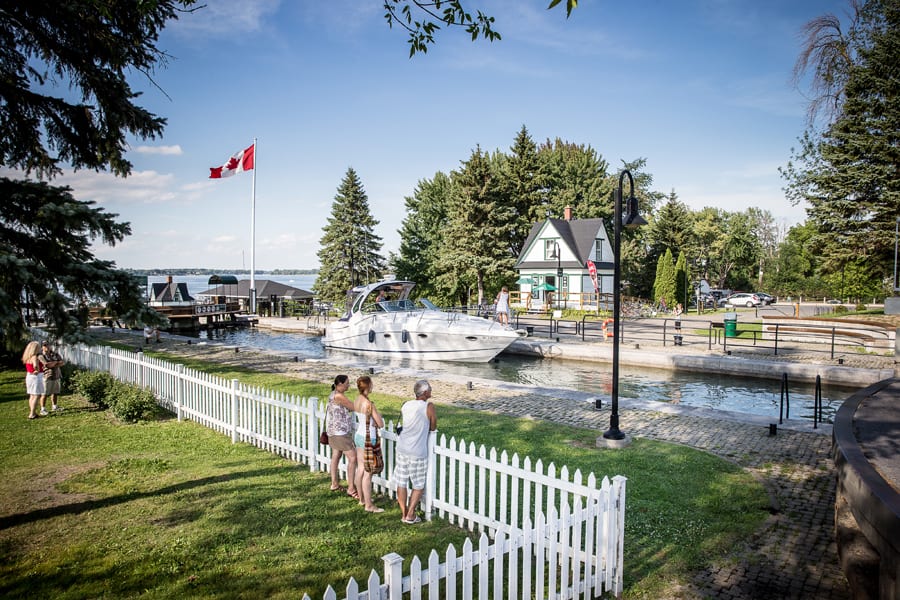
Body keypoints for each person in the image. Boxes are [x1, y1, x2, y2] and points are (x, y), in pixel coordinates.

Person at [394, 379, 437, 524]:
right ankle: (411, 514)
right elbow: (433, 427)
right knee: (418, 484)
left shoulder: (406, 404)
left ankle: (404, 512)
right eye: (430, 389)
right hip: (417, 451)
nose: (431, 391)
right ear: (425, 393)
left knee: (401, 481)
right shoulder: (428, 406)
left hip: (402, 448)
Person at [353, 375, 384, 513]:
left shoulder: (357, 400)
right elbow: (380, 423)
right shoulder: (369, 404)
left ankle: (361, 499)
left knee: (360, 468)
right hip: (368, 438)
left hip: (359, 435)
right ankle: (369, 505)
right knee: (368, 473)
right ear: (368, 386)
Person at [326, 374, 359, 499]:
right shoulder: (339, 396)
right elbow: (353, 407)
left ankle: (334, 483)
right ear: (339, 384)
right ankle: (351, 488)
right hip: (340, 433)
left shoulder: (333, 393)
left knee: (336, 456)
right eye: (347, 384)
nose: (348, 385)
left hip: (333, 431)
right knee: (353, 457)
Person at [21, 341, 46, 419]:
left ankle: (33, 412)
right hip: (36, 377)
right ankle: (32, 413)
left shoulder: (28, 356)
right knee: (36, 395)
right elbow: (35, 366)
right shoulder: (35, 356)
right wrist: (37, 369)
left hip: (29, 376)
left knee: (32, 395)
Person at [40, 341, 65, 412]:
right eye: (45, 345)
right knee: (44, 393)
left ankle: (54, 407)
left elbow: (62, 362)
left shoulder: (55, 354)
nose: (47, 347)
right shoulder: (41, 355)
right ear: (42, 347)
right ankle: (43, 409)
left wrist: (53, 363)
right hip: (47, 376)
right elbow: (47, 365)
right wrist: (56, 362)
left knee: (55, 392)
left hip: (56, 375)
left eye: (48, 345)